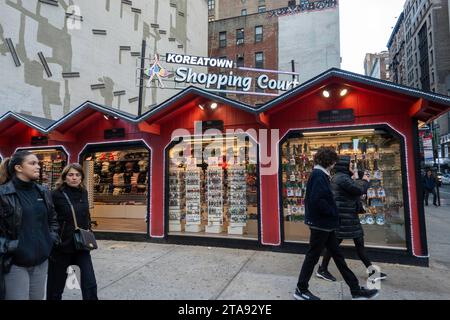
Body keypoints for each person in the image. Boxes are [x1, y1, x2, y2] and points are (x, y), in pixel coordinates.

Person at [294, 147, 378, 300]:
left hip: (326, 225)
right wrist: (333, 212)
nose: (334, 164)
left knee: (338, 256)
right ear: (330, 162)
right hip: (321, 224)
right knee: (313, 256)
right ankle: (301, 289)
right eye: (333, 161)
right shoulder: (319, 175)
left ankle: (355, 289)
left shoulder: (321, 175)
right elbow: (317, 201)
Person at [316, 156, 387, 283]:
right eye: (350, 164)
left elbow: (351, 191)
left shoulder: (341, 177)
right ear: (344, 165)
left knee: (342, 245)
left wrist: (355, 178)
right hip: (345, 218)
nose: (352, 167)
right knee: (347, 245)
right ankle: (323, 269)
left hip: (347, 217)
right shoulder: (342, 178)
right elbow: (359, 190)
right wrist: (365, 180)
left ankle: (323, 269)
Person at [0, 151, 60, 300]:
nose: (38, 167)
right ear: (19, 168)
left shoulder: (43, 192)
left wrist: (50, 240)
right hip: (15, 264)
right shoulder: (3, 194)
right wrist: (11, 247)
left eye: (38, 163)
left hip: (41, 261)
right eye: (32, 163)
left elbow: (53, 219)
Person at [47, 163, 98, 300]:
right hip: (62, 246)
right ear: (64, 177)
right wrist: (55, 238)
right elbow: (49, 218)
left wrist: (89, 229)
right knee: (55, 286)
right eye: (70, 175)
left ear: (81, 177)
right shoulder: (55, 194)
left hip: (81, 244)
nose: (74, 178)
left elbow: (85, 214)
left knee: (89, 282)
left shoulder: (83, 192)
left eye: (77, 175)